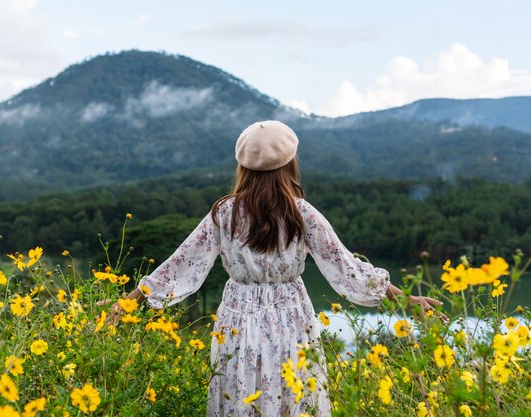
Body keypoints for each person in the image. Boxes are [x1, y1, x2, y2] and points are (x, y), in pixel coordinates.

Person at [104, 120, 443, 416]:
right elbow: (347, 267)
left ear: (243, 167)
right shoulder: (301, 212)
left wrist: (128, 302)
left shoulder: (225, 212)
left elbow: (181, 265)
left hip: (238, 316)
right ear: (290, 164)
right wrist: (405, 300)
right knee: (294, 396)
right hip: (292, 315)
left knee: (238, 393)